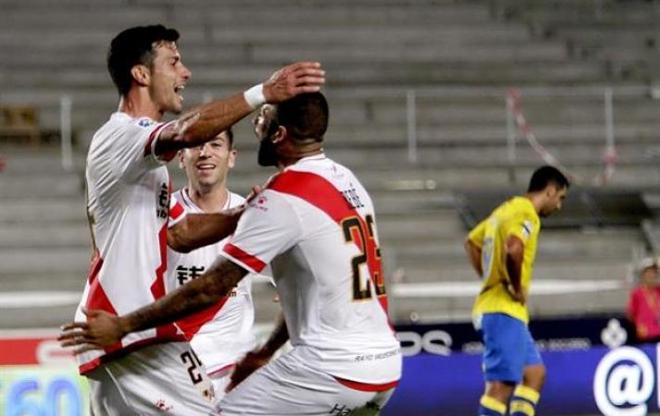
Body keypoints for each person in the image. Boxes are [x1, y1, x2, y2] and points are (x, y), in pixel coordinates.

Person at [60, 92, 402, 415]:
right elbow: (305, 286)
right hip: (384, 363)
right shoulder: (346, 182)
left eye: (263, 117)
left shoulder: (279, 199)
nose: (256, 124)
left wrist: (123, 325)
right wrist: (266, 350)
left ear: (278, 134)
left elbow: (212, 286)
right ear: (183, 157)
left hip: (327, 367)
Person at [68, 24, 324, 415]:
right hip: (129, 330)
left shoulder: (143, 164)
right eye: (173, 63)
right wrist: (263, 93)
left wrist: (242, 215)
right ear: (141, 74)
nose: (184, 73)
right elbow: (187, 131)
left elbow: (178, 234)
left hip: (122, 332)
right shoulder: (121, 136)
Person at [464, 165, 569, 416]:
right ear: (550, 191)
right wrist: (514, 285)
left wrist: (490, 276)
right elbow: (514, 248)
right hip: (503, 310)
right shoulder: (526, 213)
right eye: (561, 198)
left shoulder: (504, 210)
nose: (559, 205)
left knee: (534, 374)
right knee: (501, 387)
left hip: (503, 309)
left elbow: (472, 242)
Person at [167, 127, 262, 398]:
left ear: (231, 157)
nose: (205, 152)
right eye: (196, 145)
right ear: (181, 157)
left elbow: (294, 274)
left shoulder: (253, 216)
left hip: (235, 370)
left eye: (215, 144)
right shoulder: (160, 218)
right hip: (177, 368)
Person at [627, 257, 660, 342]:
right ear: (643, 275)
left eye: (654, 272)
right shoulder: (637, 293)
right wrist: (639, 325)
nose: (651, 275)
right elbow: (631, 314)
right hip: (645, 336)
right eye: (648, 272)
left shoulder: (658, 291)